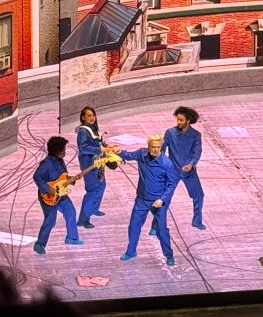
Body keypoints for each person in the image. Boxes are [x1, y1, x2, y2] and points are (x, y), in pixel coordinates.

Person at [117, 134, 181, 264]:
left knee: (161, 229)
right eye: (153, 147)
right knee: (134, 225)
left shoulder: (166, 163)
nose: (156, 150)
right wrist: (119, 152)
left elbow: (172, 184)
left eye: (158, 147)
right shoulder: (141, 154)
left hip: (158, 202)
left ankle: (169, 255)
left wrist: (162, 199)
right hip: (142, 199)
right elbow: (129, 156)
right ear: (148, 146)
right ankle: (131, 251)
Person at [31, 136, 84, 255]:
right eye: (63, 150)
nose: (65, 152)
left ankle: (72, 237)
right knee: (50, 220)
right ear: (56, 151)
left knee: (70, 212)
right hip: (48, 197)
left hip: (61, 194)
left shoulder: (60, 161)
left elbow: (63, 177)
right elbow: (37, 177)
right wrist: (47, 189)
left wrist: (72, 179)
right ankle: (39, 244)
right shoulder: (47, 164)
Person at [158, 106, 206, 231]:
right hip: (173, 171)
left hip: (189, 172)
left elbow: (197, 152)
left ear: (188, 121)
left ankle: (197, 221)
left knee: (199, 196)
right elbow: (162, 149)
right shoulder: (170, 132)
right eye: (177, 120)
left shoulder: (196, 135)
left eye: (181, 120)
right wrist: (164, 164)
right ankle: (156, 225)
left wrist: (191, 164)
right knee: (164, 198)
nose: (178, 122)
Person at [75, 106, 114, 229]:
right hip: (89, 164)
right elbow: (83, 147)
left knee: (101, 185)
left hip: (98, 162)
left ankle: (94, 208)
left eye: (93, 115)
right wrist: (101, 149)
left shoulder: (93, 128)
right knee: (92, 190)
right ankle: (83, 219)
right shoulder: (83, 131)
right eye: (89, 116)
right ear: (83, 117)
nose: (92, 118)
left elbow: (98, 142)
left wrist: (108, 146)